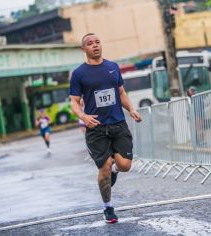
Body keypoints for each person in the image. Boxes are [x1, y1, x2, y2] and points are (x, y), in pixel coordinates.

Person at [69, 33, 141, 223]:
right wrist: (83, 116)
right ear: (83, 49)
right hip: (97, 129)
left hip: (118, 124)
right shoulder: (78, 74)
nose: (95, 45)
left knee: (125, 165)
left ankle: (115, 170)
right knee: (104, 167)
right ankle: (108, 208)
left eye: (97, 42)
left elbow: (121, 92)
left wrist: (131, 109)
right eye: (89, 43)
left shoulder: (112, 67)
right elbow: (74, 103)